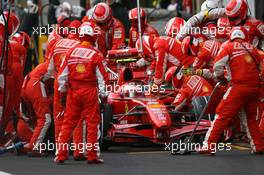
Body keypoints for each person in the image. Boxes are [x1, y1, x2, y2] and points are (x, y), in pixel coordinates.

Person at [200, 27, 264, 155]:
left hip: (238, 88)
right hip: (254, 88)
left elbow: (217, 65)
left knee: (222, 115)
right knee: (250, 119)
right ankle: (258, 146)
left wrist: (220, 78)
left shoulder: (228, 47)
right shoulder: (252, 48)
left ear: (231, 36)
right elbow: (260, 67)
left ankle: (208, 146)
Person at [54, 21, 109, 164]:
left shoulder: (70, 52)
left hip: (73, 91)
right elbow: (103, 79)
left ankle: (61, 154)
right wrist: (104, 97)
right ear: (92, 37)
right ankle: (92, 155)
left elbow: (62, 77)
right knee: (92, 123)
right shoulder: (96, 54)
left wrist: (62, 94)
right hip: (90, 91)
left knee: (68, 123)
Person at [21, 62, 53, 156]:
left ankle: (33, 143)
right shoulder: (59, 63)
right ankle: (35, 146)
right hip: (36, 85)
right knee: (45, 119)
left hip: (26, 86)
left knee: (36, 118)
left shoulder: (44, 64)